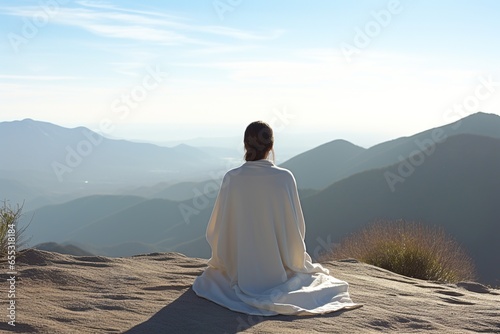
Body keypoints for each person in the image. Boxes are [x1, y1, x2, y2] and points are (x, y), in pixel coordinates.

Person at [192, 121, 360, 316]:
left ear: (245, 145)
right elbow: (296, 228)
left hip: (240, 265)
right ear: (271, 146)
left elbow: (218, 228)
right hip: (279, 267)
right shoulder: (284, 178)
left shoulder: (232, 178)